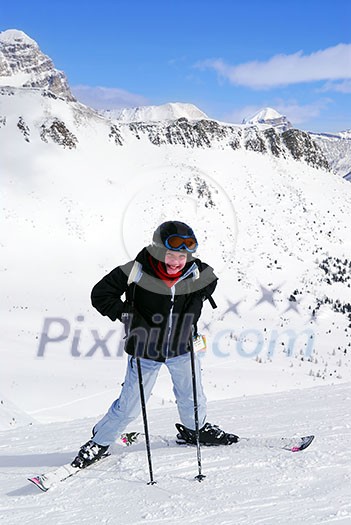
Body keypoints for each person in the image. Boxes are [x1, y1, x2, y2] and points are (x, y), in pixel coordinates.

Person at [71, 220, 238, 469]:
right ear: (159, 251)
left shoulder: (195, 272)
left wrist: (199, 297)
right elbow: (100, 294)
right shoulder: (135, 271)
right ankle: (100, 442)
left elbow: (211, 279)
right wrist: (127, 314)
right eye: (171, 254)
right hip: (145, 349)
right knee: (130, 405)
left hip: (183, 347)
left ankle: (195, 430)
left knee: (192, 396)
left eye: (183, 256)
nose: (176, 262)